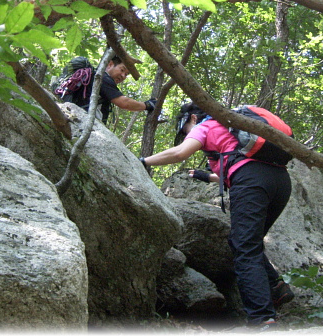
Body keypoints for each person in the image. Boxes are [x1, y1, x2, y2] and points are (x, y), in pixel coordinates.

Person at [140, 102, 294, 331]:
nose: (186, 135)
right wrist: (206, 176)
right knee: (246, 242)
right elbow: (236, 164)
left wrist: (143, 162)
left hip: (252, 183)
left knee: (244, 247)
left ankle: (262, 320)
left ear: (192, 118)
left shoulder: (206, 125)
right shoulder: (229, 130)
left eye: (185, 130)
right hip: (280, 183)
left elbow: (180, 153)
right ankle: (276, 287)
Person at [68, 55, 156, 124]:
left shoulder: (92, 76)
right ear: (110, 64)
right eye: (122, 70)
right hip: (87, 122)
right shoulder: (103, 78)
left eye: (126, 74)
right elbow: (125, 103)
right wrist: (147, 105)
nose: (123, 76)